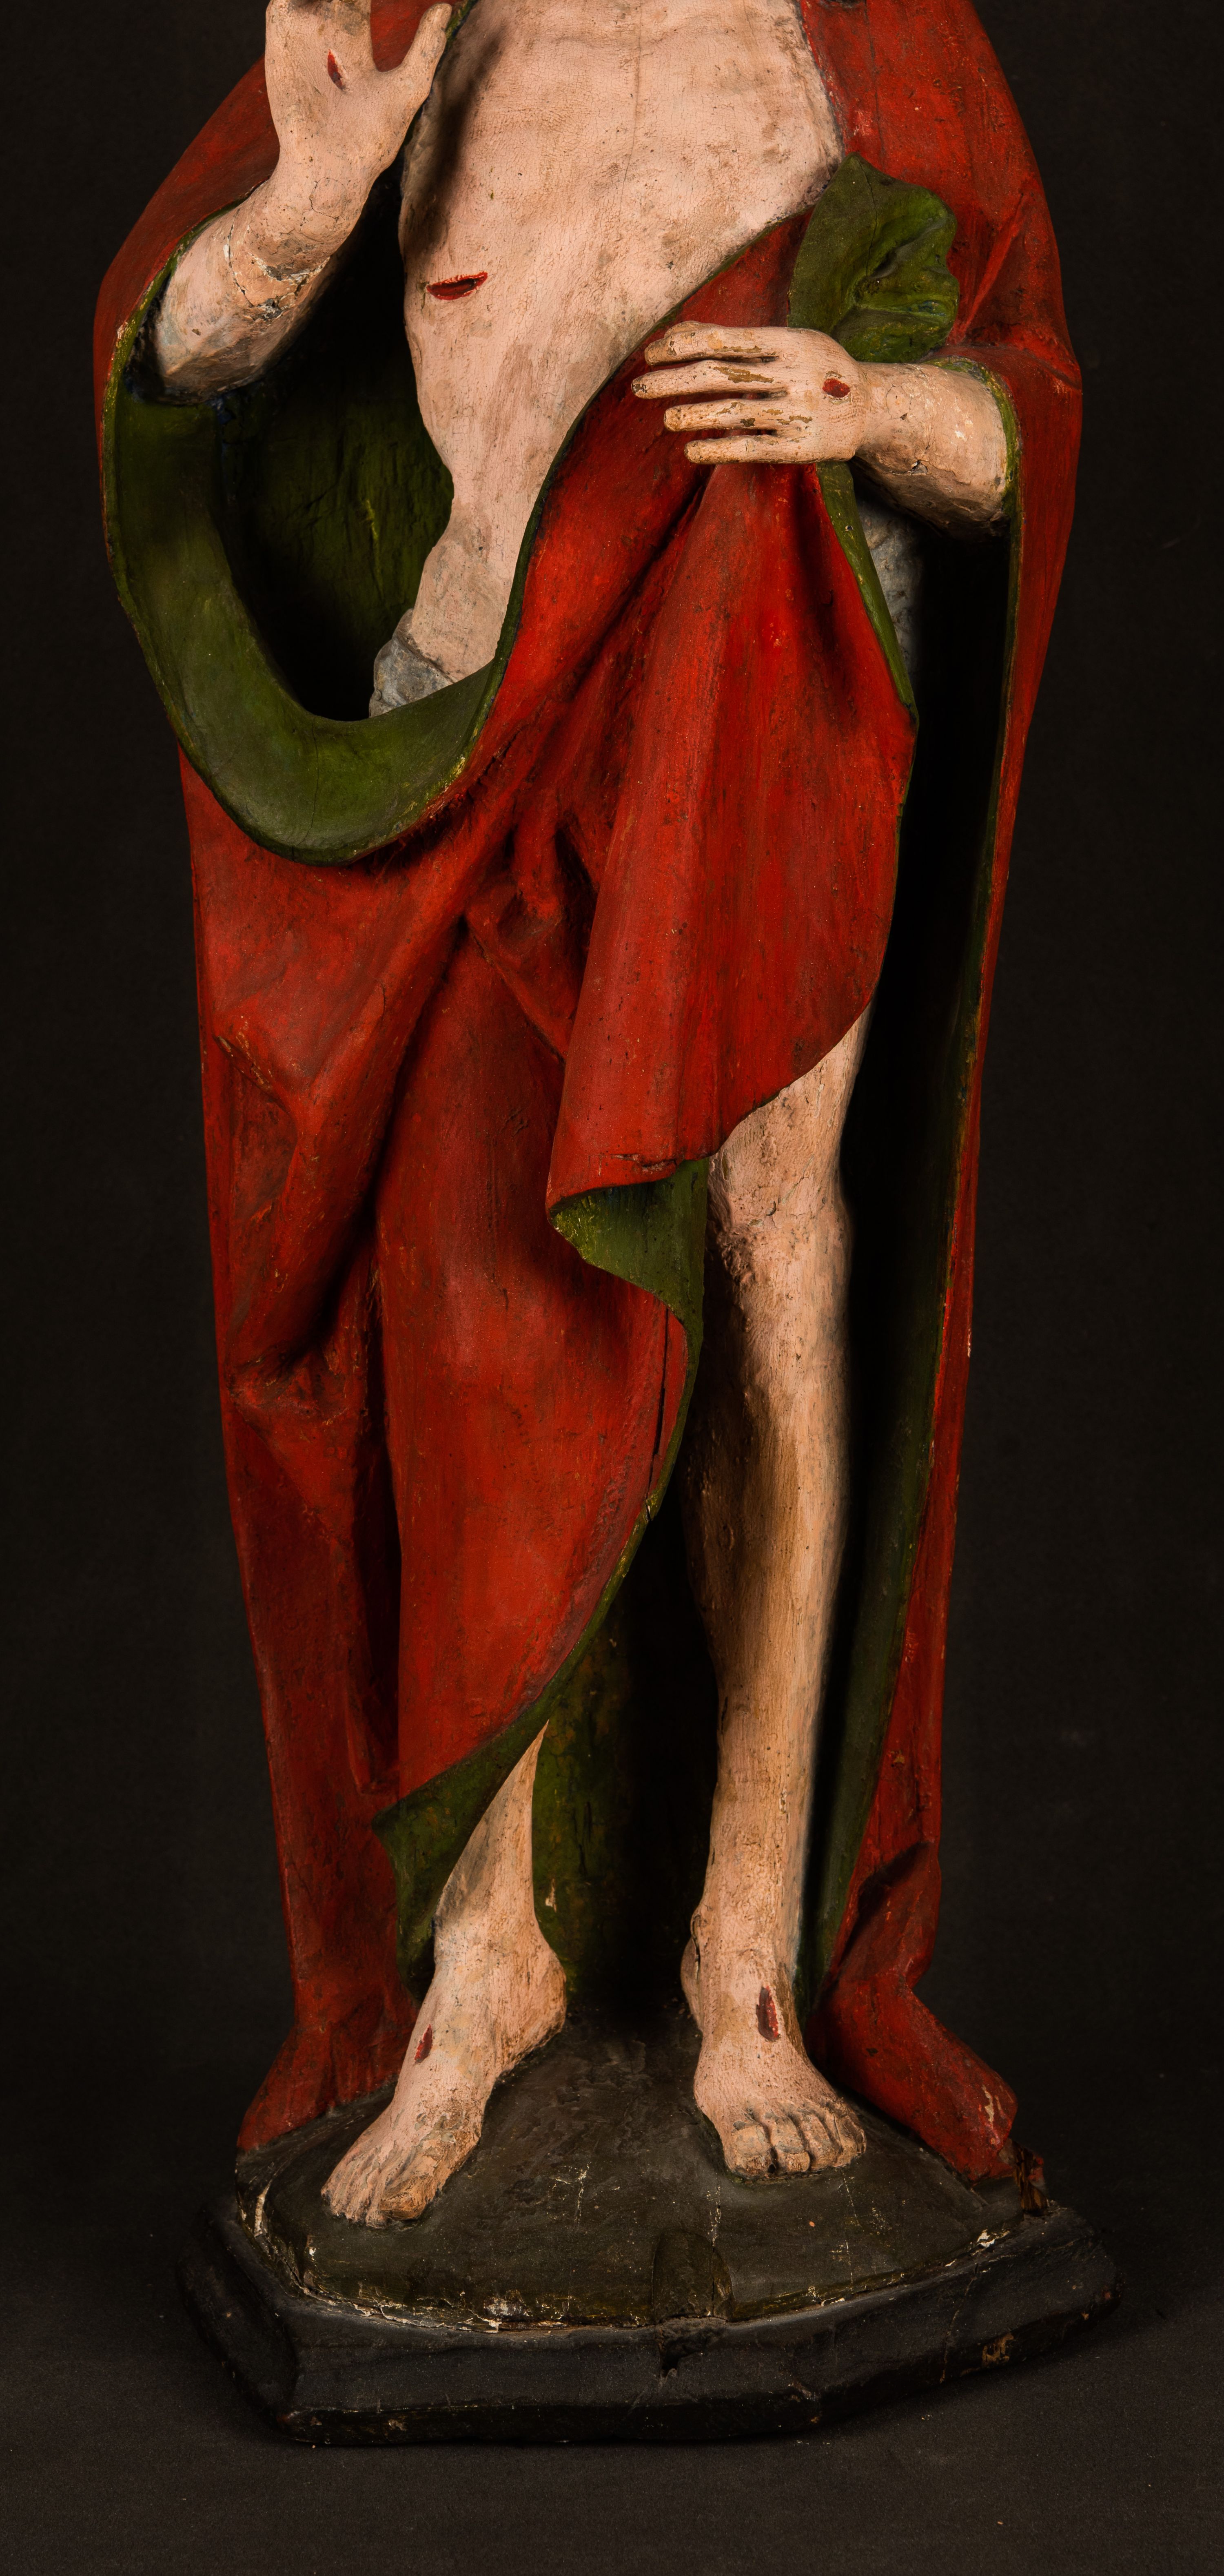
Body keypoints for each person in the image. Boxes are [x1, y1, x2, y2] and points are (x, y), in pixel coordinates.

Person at [97, 0, 1079, 2225]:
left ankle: (751, 1953)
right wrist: (311, 211)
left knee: (771, 1266)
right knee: (468, 1301)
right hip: (465, 734)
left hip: (766, 735)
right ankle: (483, 1965)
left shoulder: (876, 37)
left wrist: (870, 405)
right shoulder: (413, 17)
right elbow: (177, 355)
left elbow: (1022, 408)